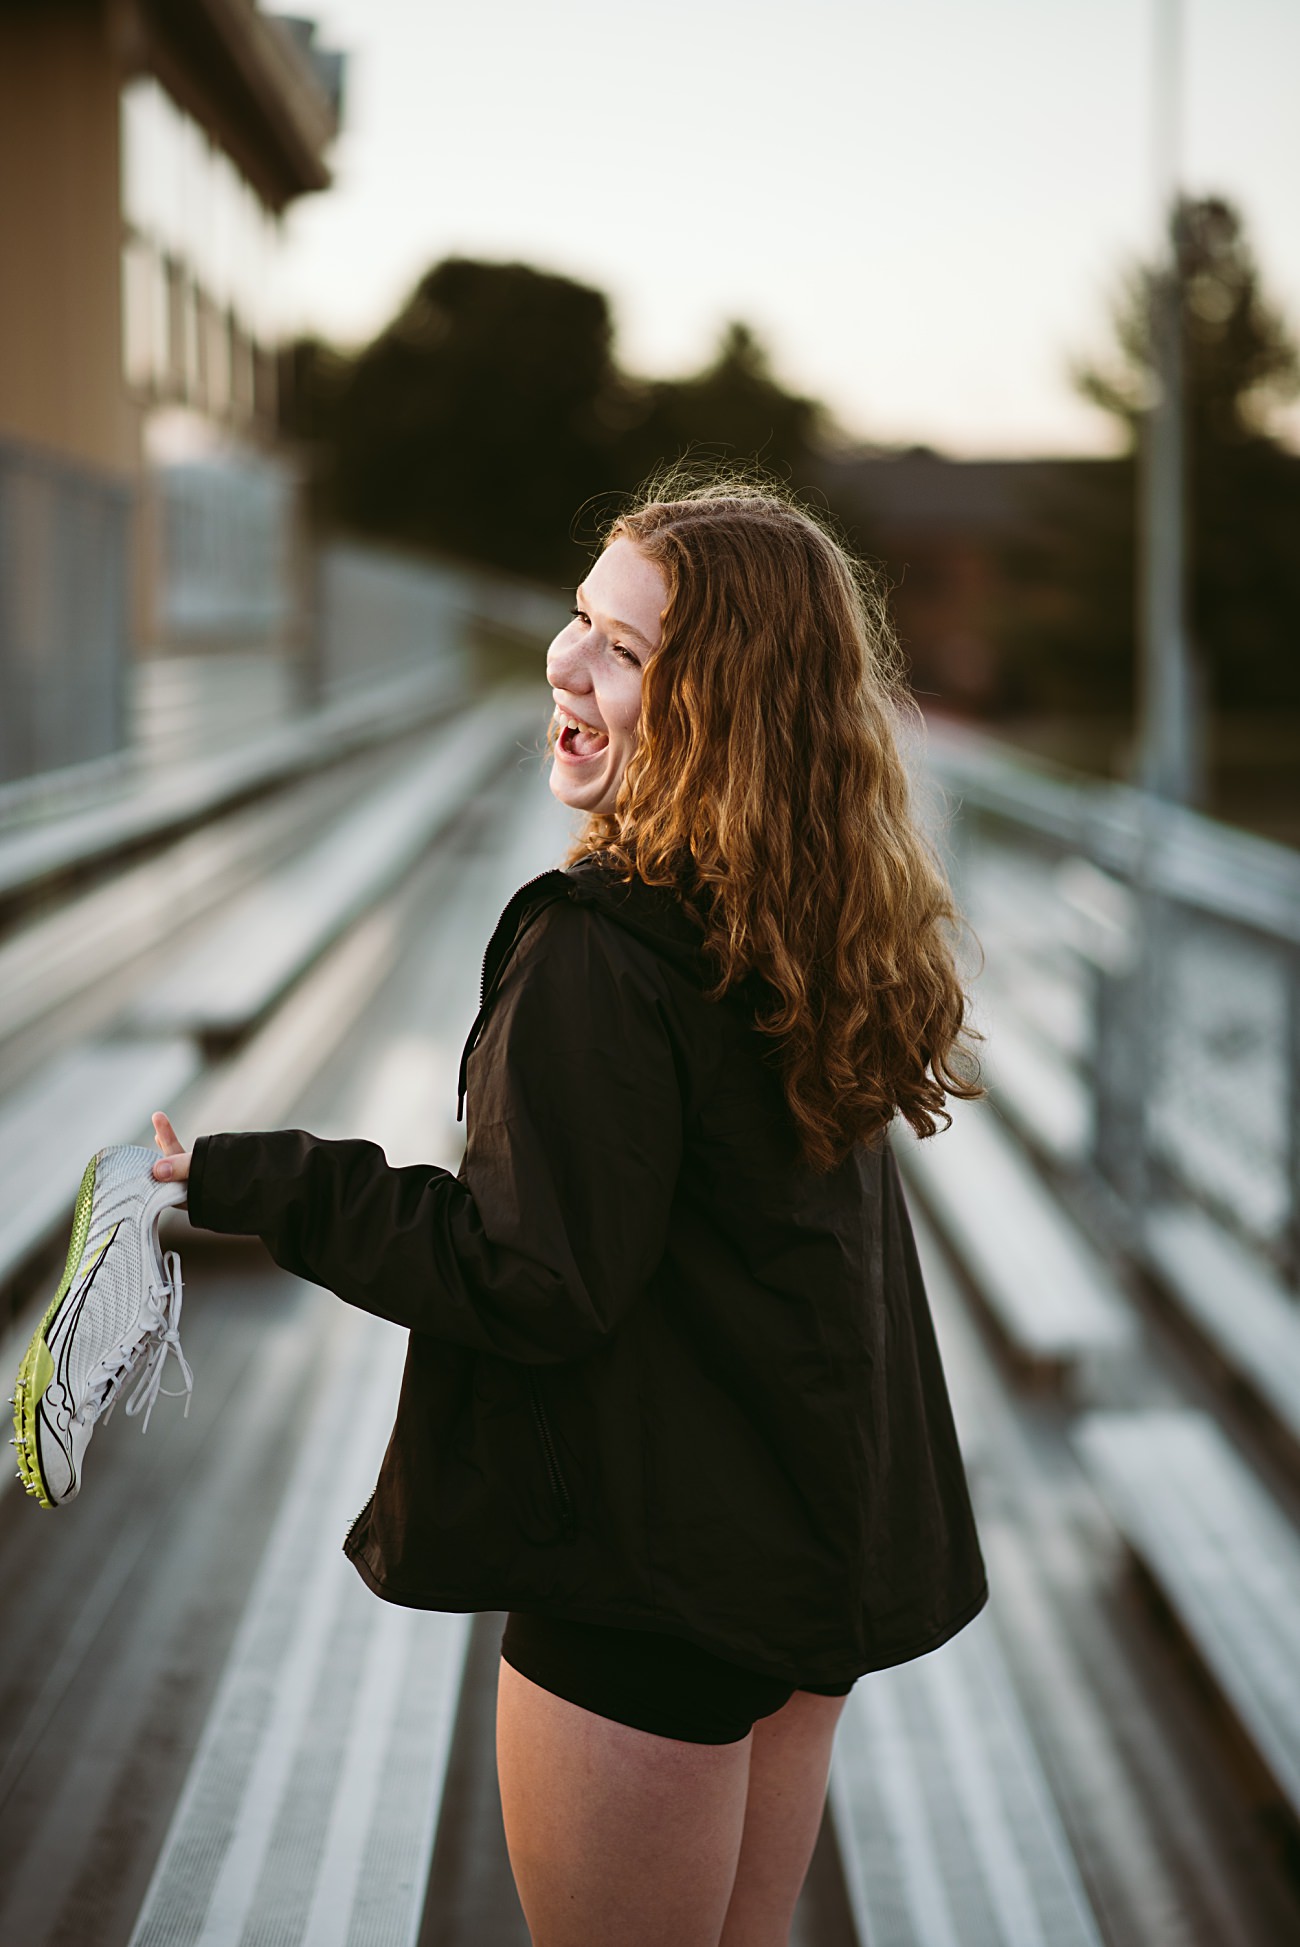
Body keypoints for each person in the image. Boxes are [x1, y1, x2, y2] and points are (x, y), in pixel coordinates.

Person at [149, 480, 987, 1947]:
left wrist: (262, 1181)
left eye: (623, 651)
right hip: (796, 1572)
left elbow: (531, 1277)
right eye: (579, 622)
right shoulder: (807, 921)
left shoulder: (601, 954)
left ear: (721, 710)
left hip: (647, 1588)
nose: (563, 661)